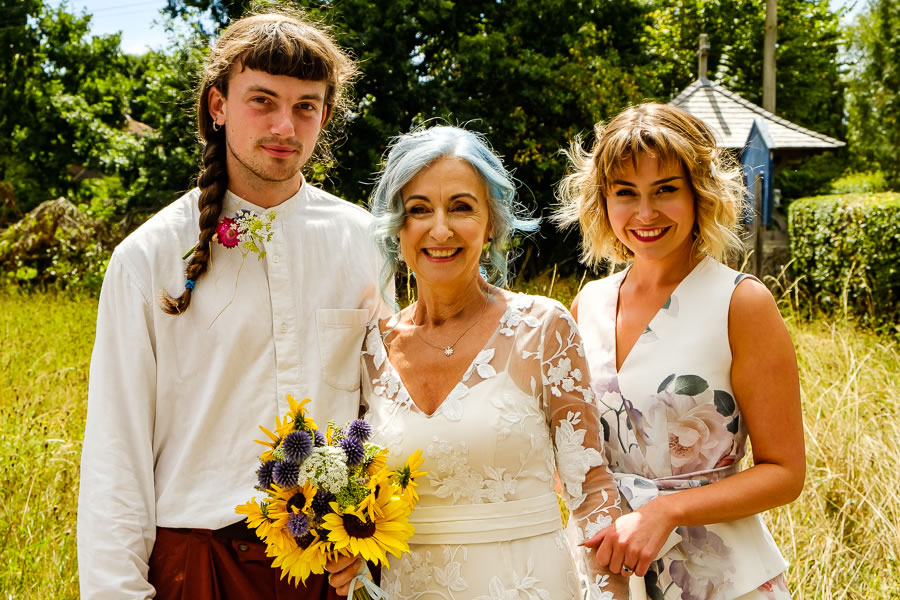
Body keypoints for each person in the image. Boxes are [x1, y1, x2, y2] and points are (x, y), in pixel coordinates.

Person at [77, 10, 387, 600]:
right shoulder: (146, 257)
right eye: (262, 101)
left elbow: (386, 414)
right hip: (198, 564)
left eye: (306, 106)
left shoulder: (366, 243)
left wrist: (370, 550)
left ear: (325, 115)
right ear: (218, 105)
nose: (285, 126)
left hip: (332, 567)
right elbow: (116, 450)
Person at [323, 125, 629, 599]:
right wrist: (349, 555)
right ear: (397, 226)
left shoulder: (542, 328)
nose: (439, 229)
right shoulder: (369, 351)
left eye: (461, 207)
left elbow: (590, 490)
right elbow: (358, 501)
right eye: (418, 209)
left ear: (491, 223)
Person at [555, 102, 806, 599]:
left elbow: (785, 474)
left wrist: (665, 511)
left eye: (666, 190)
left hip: (720, 578)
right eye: (626, 193)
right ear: (602, 200)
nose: (645, 213)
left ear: (699, 193)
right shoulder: (587, 305)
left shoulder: (740, 302)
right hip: (606, 572)